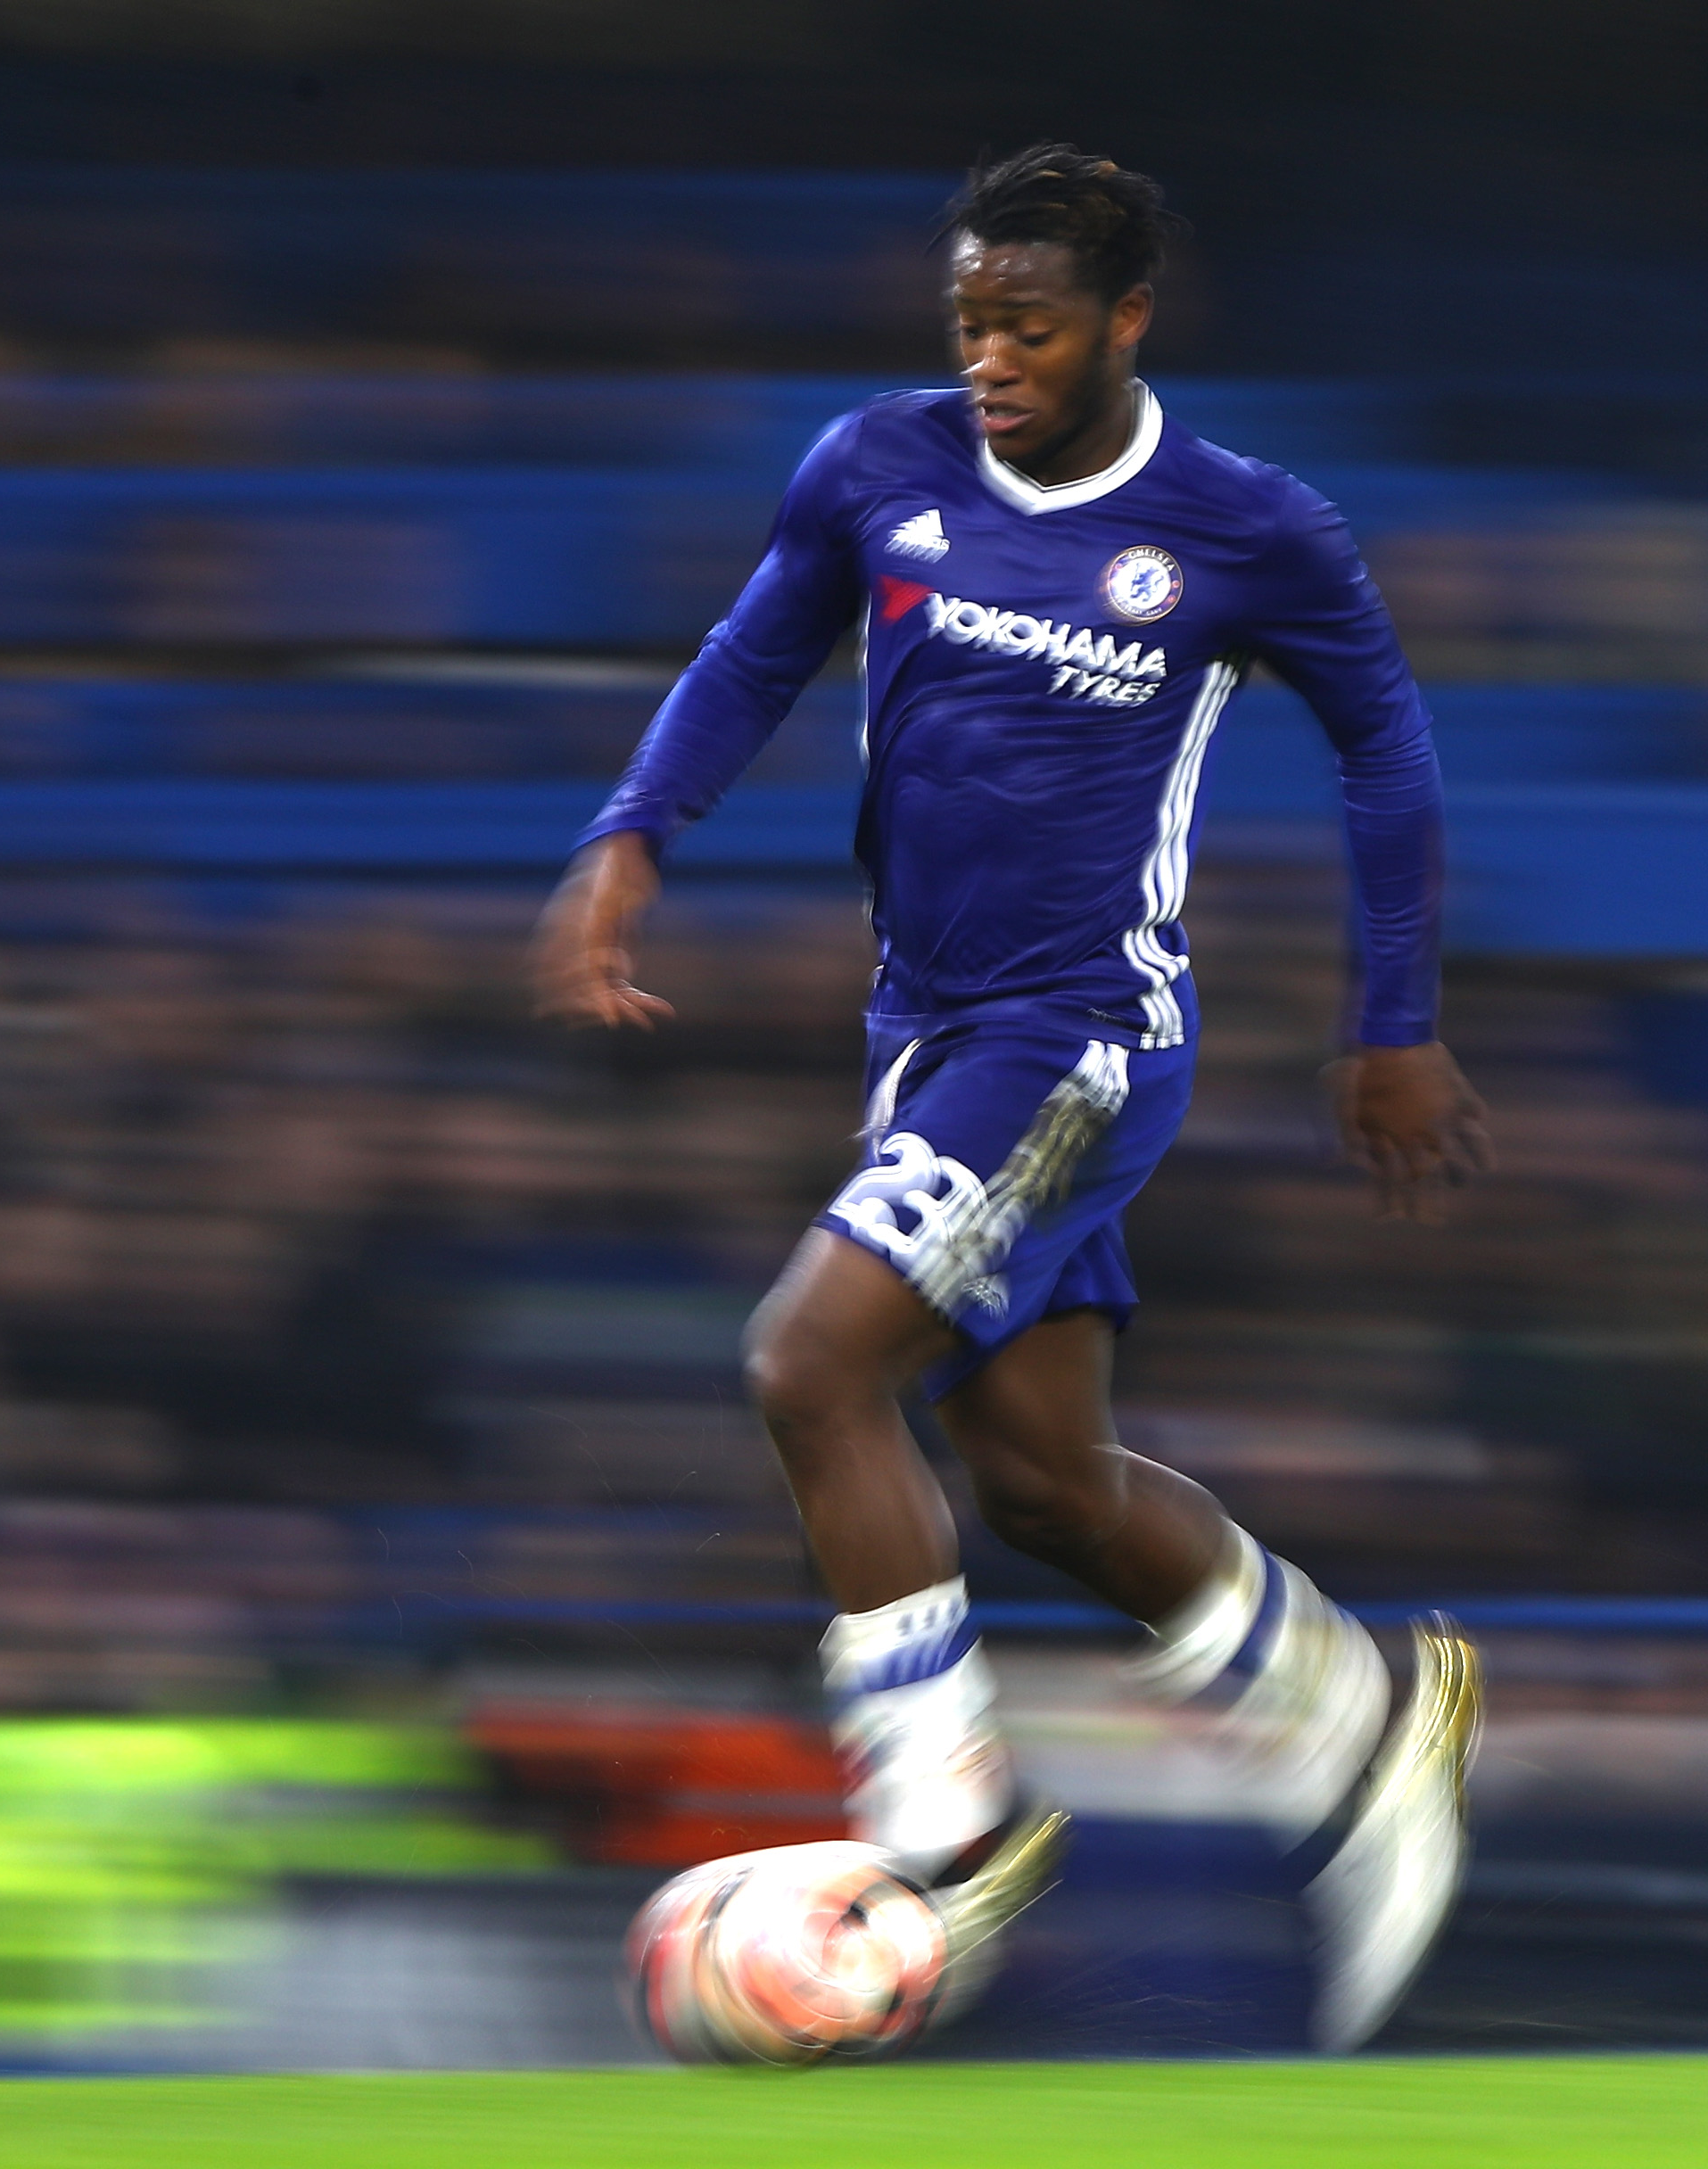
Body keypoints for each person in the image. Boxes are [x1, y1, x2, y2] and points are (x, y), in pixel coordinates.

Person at [531, 144, 1494, 2051]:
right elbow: (753, 649)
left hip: (1079, 1037)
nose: (990, 355)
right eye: (969, 316)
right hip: (929, 1029)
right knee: (1046, 1484)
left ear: (1126, 320)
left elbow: (1387, 748)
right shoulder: (876, 468)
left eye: (1030, 323)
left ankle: (946, 1830)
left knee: (808, 1364)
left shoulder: (1244, 528)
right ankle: (1357, 1712)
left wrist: (1394, 1020)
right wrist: (632, 834)